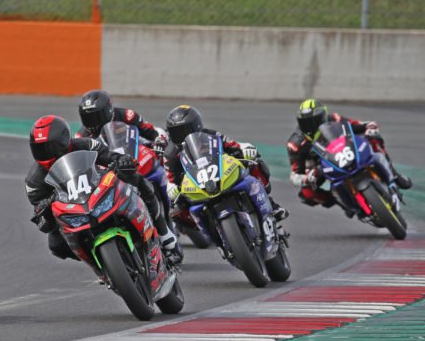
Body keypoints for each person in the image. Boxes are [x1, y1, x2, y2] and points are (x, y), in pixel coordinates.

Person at [24, 115, 181, 264]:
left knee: (137, 179)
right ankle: (100, 262)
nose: (46, 153)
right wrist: (44, 212)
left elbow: (109, 156)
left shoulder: (85, 145)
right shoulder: (34, 181)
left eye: (51, 146)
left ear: (65, 140)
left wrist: (122, 160)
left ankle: (164, 233)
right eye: (40, 149)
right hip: (72, 209)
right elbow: (42, 220)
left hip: (100, 189)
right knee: (56, 245)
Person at [159, 105, 288, 221]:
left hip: (220, 172)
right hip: (195, 185)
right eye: (177, 132)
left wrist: (244, 149)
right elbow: (171, 177)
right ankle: (202, 228)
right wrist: (171, 187)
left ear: (196, 126)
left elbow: (232, 145)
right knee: (176, 210)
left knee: (253, 163)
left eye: (186, 130)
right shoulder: (170, 154)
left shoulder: (210, 135)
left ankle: (271, 204)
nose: (183, 136)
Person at [287, 99, 412, 211]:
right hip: (320, 166)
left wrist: (369, 127)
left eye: (314, 121)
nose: (311, 126)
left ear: (323, 116)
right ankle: (341, 202)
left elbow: (356, 125)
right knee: (307, 194)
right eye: (305, 122)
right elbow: (294, 175)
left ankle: (394, 174)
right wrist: (307, 177)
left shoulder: (334, 119)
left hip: (344, 150)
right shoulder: (295, 144)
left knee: (374, 138)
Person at [76, 89, 165, 144]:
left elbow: (152, 131)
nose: (93, 122)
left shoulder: (127, 116)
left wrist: (159, 141)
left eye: (97, 116)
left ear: (108, 109)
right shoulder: (81, 136)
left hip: (135, 155)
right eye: (88, 118)